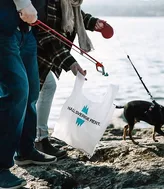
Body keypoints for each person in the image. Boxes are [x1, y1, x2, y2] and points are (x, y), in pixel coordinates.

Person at [33, 0, 113, 158]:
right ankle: (38, 139)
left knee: (41, 90)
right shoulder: (50, 3)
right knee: (37, 92)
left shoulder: (68, 3)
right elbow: (48, 38)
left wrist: (95, 23)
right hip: (36, 52)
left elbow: (76, 16)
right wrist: (70, 63)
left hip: (43, 53)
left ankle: (37, 138)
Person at [0, 0, 58, 188]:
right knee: (15, 92)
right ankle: (1, 168)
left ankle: (25, 150)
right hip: (4, 26)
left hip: (26, 32)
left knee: (32, 92)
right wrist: (23, 3)